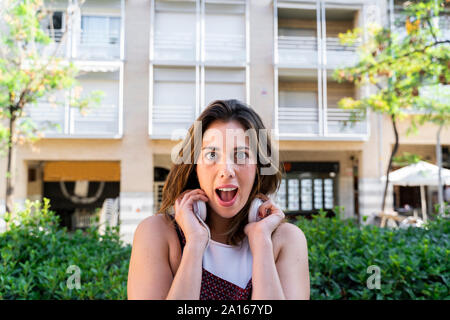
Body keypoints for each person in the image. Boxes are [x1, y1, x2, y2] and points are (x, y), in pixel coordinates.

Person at [127, 99, 310, 300]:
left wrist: (262, 243)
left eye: (241, 155)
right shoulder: (158, 233)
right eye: (212, 154)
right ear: (194, 166)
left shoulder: (285, 240)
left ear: (258, 168)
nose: (226, 171)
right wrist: (195, 245)